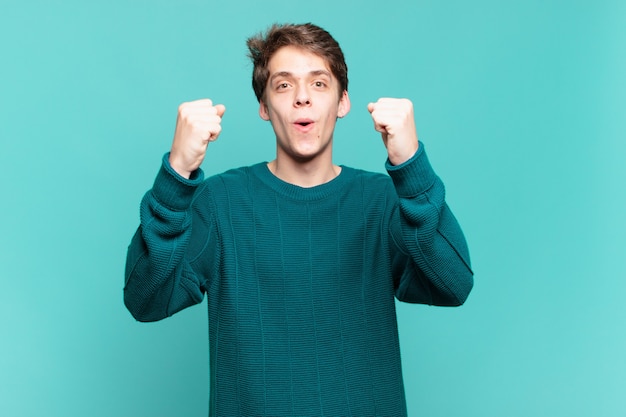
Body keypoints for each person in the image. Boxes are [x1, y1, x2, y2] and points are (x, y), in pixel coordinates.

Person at [124, 22, 473, 417]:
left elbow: (454, 284)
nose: (302, 98)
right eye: (284, 85)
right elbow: (144, 299)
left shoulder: (383, 201)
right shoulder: (219, 202)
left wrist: (411, 166)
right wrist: (177, 173)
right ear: (263, 106)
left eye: (319, 84)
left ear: (343, 102)